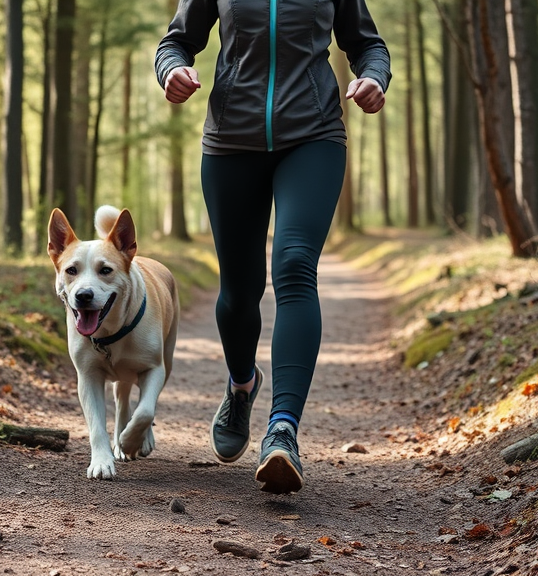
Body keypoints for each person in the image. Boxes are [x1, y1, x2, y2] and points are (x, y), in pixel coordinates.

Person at [155, 0, 391, 494]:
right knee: (240, 290)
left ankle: (282, 429)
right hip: (230, 141)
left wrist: (374, 79)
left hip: (314, 135)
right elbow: (176, 41)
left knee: (295, 265)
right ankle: (242, 386)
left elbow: (367, 44)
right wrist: (173, 70)